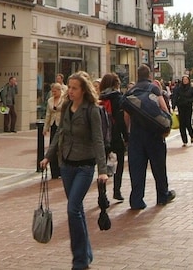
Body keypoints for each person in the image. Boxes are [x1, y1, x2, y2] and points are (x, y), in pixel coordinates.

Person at [40, 71, 108, 270]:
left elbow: (98, 140)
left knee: (72, 209)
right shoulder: (67, 106)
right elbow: (60, 133)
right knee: (76, 210)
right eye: (68, 87)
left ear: (83, 90)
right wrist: (48, 156)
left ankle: (79, 260)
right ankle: (85, 254)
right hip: (66, 165)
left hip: (85, 166)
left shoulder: (91, 110)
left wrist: (102, 170)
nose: (69, 91)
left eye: (74, 88)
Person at [121, 65, 175, 210]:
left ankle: (137, 200)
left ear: (137, 75)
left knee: (137, 168)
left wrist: (128, 133)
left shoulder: (131, 91)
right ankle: (162, 195)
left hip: (136, 135)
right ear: (149, 75)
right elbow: (163, 108)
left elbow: (126, 116)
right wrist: (166, 124)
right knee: (158, 167)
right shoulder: (153, 88)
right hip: (154, 134)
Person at [98, 73, 128, 202]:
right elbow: (121, 119)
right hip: (115, 134)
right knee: (120, 162)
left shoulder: (99, 99)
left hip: (101, 136)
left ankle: (102, 194)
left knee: (102, 165)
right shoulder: (119, 98)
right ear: (116, 84)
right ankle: (117, 190)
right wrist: (126, 136)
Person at [43, 82, 66, 179]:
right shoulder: (50, 101)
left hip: (62, 125)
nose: (53, 93)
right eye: (52, 91)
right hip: (53, 125)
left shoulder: (65, 100)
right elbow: (48, 114)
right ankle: (54, 171)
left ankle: (62, 170)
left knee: (61, 147)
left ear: (60, 90)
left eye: (55, 91)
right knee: (53, 146)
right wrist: (46, 127)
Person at [172, 75, 193, 147]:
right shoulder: (179, 88)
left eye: (186, 80)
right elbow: (175, 97)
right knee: (182, 124)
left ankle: (191, 134)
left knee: (188, 123)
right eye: (184, 80)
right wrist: (174, 105)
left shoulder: (191, 88)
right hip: (181, 107)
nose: (185, 81)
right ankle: (184, 140)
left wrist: (189, 101)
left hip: (188, 107)